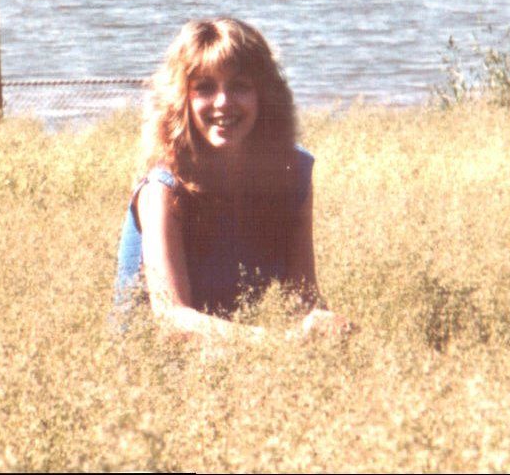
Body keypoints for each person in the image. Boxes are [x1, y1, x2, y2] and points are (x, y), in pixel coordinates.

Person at [113, 17, 354, 343]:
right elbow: (171, 319)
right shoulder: (163, 188)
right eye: (204, 88)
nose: (223, 101)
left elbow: (302, 297)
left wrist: (328, 332)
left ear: (264, 95)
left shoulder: (292, 172)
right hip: (149, 359)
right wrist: (280, 343)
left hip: (230, 349)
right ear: (181, 100)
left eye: (240, 86)